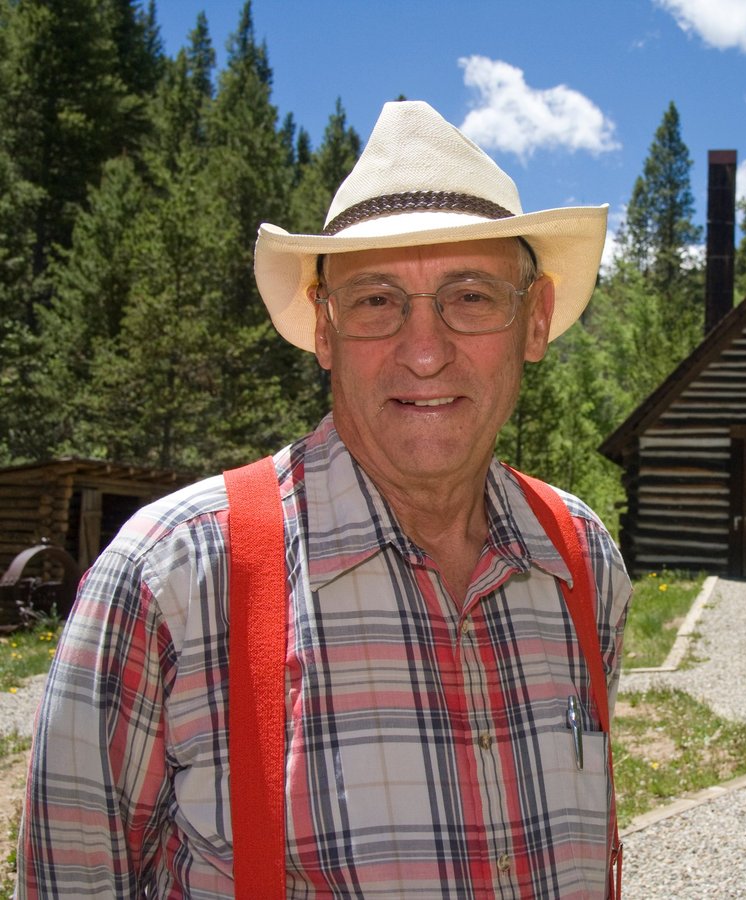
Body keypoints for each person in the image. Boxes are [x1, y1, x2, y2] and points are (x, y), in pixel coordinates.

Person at [19, 100, 630, 898]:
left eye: (472, 296)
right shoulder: (172, 575)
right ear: (323, 330)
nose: (423, 351)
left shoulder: (580, 559)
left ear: (535, 321)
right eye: (375, 299)